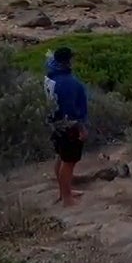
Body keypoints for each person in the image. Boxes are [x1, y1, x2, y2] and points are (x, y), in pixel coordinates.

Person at [43, 46, 88, 207]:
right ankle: (67, 198)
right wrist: (81, 128)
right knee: (69, 162)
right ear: (67, 62)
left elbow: (48, 57)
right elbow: (71, 111)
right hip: (68, 126)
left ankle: (64, 191)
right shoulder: (69, 83)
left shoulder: (51, 76)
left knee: (61, 157)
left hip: (55, 123)